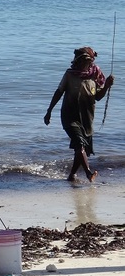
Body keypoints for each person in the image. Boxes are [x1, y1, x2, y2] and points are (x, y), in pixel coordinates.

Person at [44, 47, 114, 182]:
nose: (84, 64)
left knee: (82, 149)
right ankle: (88, 173)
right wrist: (49, 111)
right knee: (80, 144)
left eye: (87, 62)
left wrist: (106, 86)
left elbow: (98, 97)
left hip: (87, 117)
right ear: (77, 61)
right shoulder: (70, 74)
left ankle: (72, 175)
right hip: (69, 116)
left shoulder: (95, 74)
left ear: (91, 62)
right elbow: (58, 92)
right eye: (82, 61)